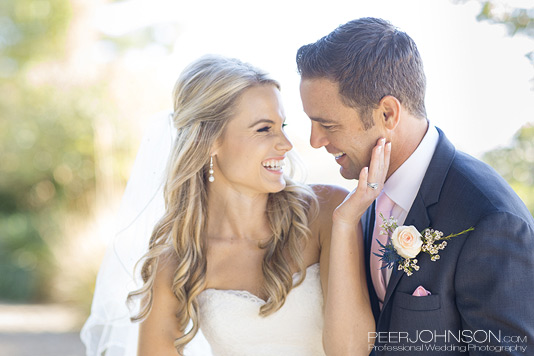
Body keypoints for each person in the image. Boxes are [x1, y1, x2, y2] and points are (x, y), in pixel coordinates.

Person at [82, 54, 390, 356]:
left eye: (282, 126)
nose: (285, 144)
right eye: (263, 129)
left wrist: (347, 223)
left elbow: (351, 351)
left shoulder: (327, 212)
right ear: (210, 141)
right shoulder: (178, 262)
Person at [296, 17, 534, 355]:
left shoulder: (491, 220)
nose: (315, 140)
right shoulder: (361, 202)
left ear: (388, 114)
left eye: (327, 124)